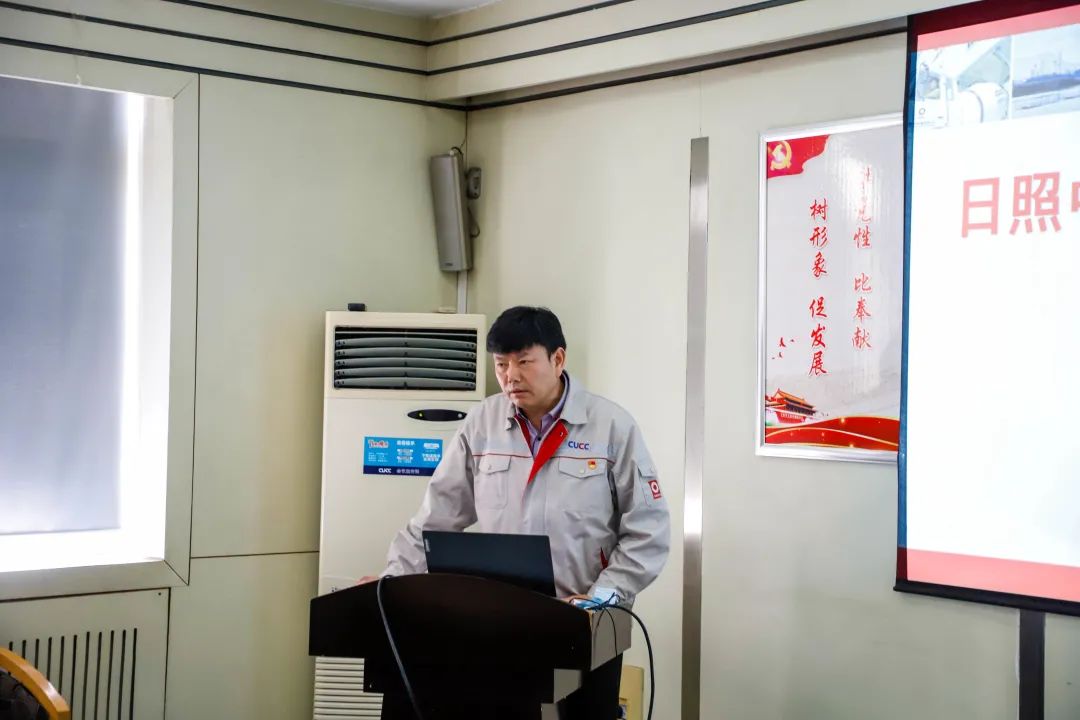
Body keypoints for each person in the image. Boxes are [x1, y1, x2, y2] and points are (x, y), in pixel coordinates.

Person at [378, 305, 670, 719]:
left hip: (587, 621)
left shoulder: (611, 427)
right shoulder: (482, 423)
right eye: (501, 364)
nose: (510, 376)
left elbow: (648, 531)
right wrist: (392, 582)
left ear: (558, 359)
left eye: (524, 362)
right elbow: (435, 518)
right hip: (504, 623)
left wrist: (601, 598)